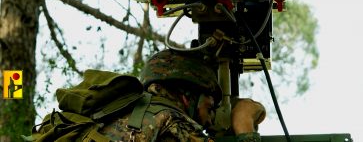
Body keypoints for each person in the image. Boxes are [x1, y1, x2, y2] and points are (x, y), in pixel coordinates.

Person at [99, 49, 266, 141]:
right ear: (188, 95)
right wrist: (244, 123)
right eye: (209, 107)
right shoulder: (173, 121)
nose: (209, 120)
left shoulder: (119, 110)